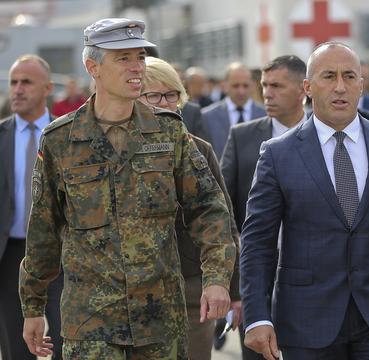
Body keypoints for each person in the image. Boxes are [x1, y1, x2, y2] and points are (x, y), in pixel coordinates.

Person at [19, 18, 236, 359]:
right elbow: (44, 230)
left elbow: (209, 208)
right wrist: (33, 306)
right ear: (93, 67)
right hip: (91, 323)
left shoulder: (168, 133)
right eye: (123, 58)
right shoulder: (60, 141)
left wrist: (217, 277)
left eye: (140, 57)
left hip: (161, 321)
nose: (137, 67)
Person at [240, 41, 369, 360]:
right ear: (307, 87)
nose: (340, 87)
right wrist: (257, 315)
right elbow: (257, 242)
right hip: (307, 322)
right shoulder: (278, 155)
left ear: (362, 84)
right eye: (328, 76)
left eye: (349, 76)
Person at [139, 55, 241, 360]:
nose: (165, 102)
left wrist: (233, 291)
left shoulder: (200, 150)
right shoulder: (118, 151)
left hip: (191, 292)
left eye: (172, 95)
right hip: (135, 294)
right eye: (154, 95)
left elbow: (224, 224)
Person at [221, 54, 307, 360]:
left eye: (277, 86)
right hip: (258, 274)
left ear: (303, 90)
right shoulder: (243, 137)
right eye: (265, 85)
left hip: (313, 275)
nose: (266, 93)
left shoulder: (325, 138)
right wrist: (235, 288)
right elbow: (224, 210)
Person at [0, 55, 63, 360]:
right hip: (10, 255)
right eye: (13, 82)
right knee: (14, 345)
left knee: (67, 340)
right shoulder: (1, 136)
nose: (17, 89)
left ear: (47, 87)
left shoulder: (67, 136)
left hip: (60, 255)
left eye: (26, 82)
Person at [201, 62, 266, 158]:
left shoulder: (265, 114)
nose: (241, 91)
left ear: (253, 85)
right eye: (236, 86)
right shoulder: (207, 116)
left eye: (245, 86)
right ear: (225, 85)